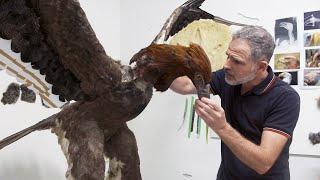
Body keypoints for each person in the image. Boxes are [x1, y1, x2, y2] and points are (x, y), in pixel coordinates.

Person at [170, 26, 300, 179]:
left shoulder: (285, 97)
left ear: (260, 67)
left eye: (237, 61)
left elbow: (263, 163)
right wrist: (157, 69)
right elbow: (185, 85)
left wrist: (222, 127)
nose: (226, 65)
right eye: (228, 56)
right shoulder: (229, 78)